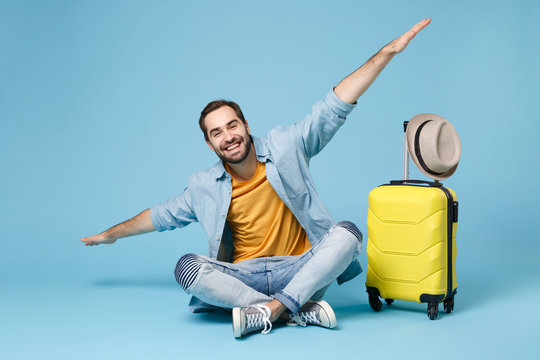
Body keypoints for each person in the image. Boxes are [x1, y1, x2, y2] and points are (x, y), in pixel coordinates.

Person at [81, 18, 431, 338]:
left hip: (299, 268)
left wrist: (386, 53)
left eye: (232, 125)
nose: (228, 136)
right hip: (243, 277)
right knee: (186, 268)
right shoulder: (203, 185)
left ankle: (271, 310)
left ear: (246, 126)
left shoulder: (286, 146)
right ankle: (295, 310)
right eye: (217, 132)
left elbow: (332, 107)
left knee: (348, 233)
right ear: (209, 142)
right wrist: (111, 235)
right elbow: (160, 217)